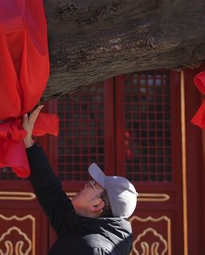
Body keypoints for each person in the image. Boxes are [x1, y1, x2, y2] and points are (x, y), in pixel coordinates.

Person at [23, 105, 138, 254]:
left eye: (92, 185)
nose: (86, 184)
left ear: (97, 205)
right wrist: (29, 145)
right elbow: (50, 191)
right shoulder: (81, 225)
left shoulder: (93, 249)